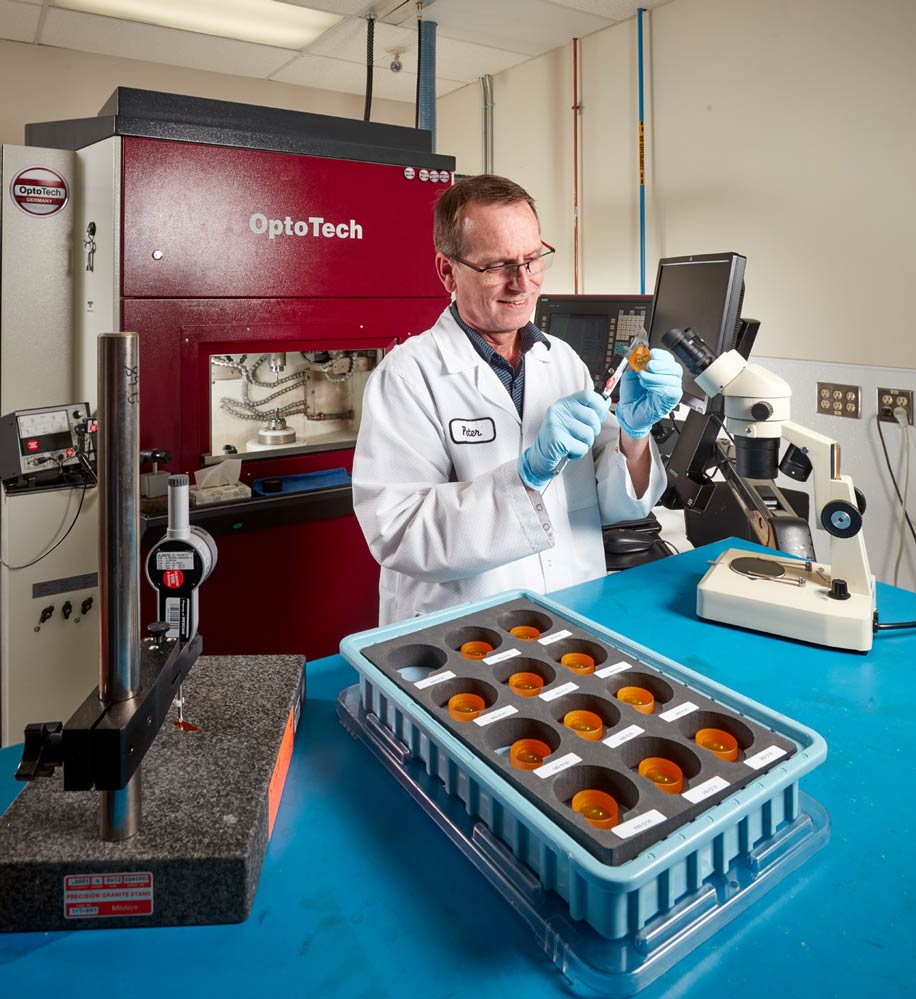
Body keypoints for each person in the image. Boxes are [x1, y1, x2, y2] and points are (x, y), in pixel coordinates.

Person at [352, 174, 682, 624]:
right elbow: (401, 535)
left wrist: (634, 436)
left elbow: (620, 504)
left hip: (574, 615)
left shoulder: (562, 361)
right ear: (447, 270)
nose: (522, 282)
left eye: (533, 259)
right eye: (497, 266)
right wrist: (526, 476)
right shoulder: (408, 377)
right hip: (463, 634)